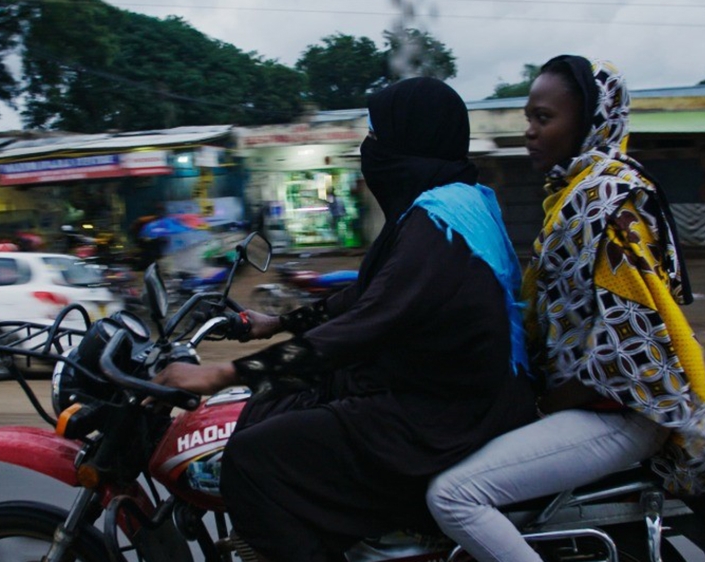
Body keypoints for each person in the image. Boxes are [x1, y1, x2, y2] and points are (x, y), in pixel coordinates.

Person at [153, 76, 537, 562]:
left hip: (446, 415)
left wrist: (222, 372)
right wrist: (282, 322)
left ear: (409, 139)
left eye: (377, 136)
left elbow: (361, 327)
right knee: (276, 402)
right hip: (452, 391)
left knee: (253, 462)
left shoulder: (439, 225)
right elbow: (372, 295)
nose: (368, 148)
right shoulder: (456, 199)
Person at [426, 55, 705, 562]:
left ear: (590, 121)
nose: (529, 132)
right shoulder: (573, 194)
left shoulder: (605, 199)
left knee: (454, 496)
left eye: (544, 118)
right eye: (529, 118)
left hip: (619, 410)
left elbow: (630, 342)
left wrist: (550, 400)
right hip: (588, 401)